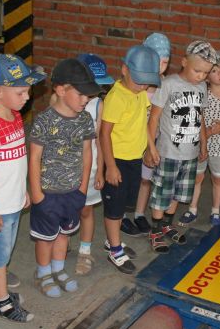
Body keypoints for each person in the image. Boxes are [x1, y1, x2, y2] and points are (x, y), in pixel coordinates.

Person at [0, 54, 44, 321]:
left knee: (6, 249)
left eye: (27, 91)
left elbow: (17, 160)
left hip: (12, 200)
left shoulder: (14, 117)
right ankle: (2, 302)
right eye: (21, 92)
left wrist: (23, 190)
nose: (27, 97)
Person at [29, 58, 98, 296]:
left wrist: (82, 189)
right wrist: (37, 194)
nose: (86, 99)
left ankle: (58, 269)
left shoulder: (85, 119)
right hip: (48, 192)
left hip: (72, 192)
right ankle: (43, 273)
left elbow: (87, 154)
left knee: (64, 234)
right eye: (81, 94)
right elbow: (35, 158)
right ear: (60, 90)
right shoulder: (44, 121)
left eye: (88, 95)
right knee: (46, 238)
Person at [146, 40, 216, 252]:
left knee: (179, 193)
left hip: (190, 152)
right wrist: (151, 147)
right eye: (197, 71)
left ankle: (167, 225)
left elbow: (200, 117)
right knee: (162, 193)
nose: (201, 76)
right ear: (184, 62)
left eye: (206, 73)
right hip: (168, 152)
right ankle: (155, 230)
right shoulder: (168, 84)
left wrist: (204, 143)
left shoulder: (202, 87)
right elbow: (153, 119)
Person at [101, 45, 160, 274]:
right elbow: (104, 133)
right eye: (139, 81)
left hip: (135, 157)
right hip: (118, 159)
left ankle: (111, 239)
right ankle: (115, 249)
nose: (144, 86)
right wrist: (111, 166)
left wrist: (150, 147)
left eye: (147, 82)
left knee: (125, 202)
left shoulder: (139, 94)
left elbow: (143, 124)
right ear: (124, 70)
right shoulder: (117, 97)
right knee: (114, 207)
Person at [178, 52, 220, 227]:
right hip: (200, 144)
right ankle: (192, 208)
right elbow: (197, 116)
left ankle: (215, 211)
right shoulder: (203, 94)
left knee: (217, 179)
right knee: (197, 177)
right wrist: (203, 132)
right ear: (207, 77)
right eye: (214, 71)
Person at [123, 32, 171, 237]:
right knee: (129, 180)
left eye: (165, 63)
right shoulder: (137, 87)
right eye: (157, 62)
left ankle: (140, 214)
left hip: (155, 139)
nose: (161, 68)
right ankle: (123, 215)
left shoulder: (166, 84)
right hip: (133, 141)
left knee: (146, 179)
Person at [73, 53, 113, 276]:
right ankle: (61, 242)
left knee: (86, 209)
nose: (96, 90)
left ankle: (85, 251)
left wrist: (102, 169)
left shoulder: (99, 105)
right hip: (65, 168)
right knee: (64, 209)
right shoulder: (61, 102)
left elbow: (99, 138)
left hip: (90, 169)